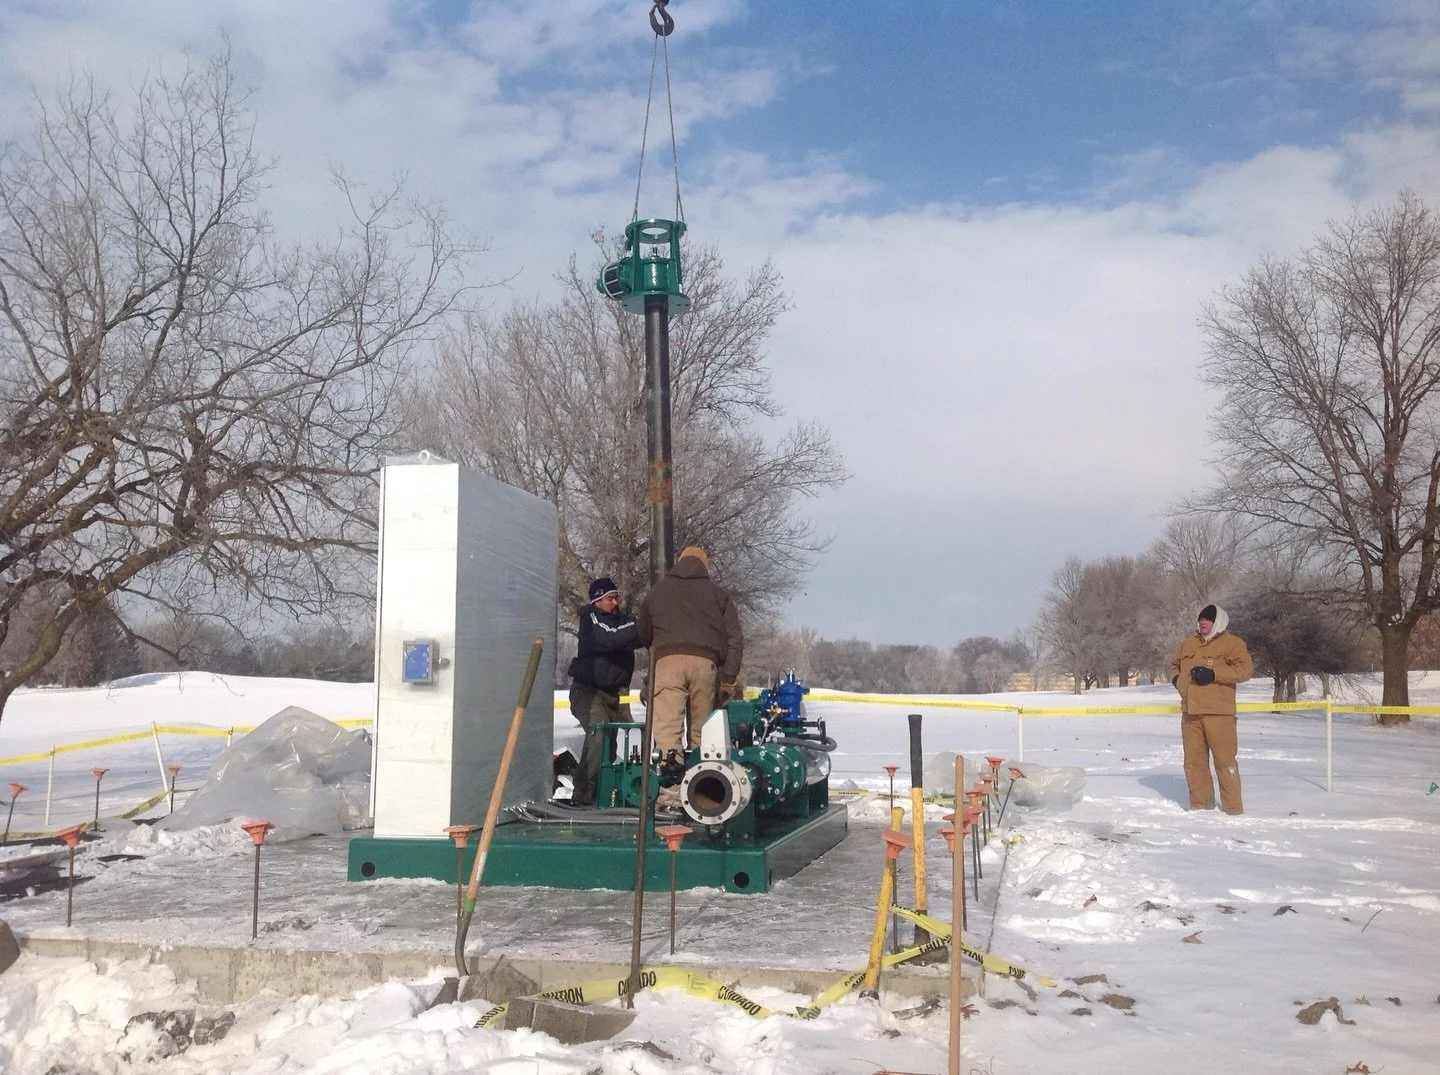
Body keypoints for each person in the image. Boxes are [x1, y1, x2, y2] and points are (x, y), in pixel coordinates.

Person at [636, 546, 743, 812]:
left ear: (679, 562)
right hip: (706, 665)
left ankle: (671, 796)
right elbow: (735, 639)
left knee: (668, 732)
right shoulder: (718, 595)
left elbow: (643, 632)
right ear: (705, 565)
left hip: (667, 663)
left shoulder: (657, 592)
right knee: (703, 733)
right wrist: (728, 678)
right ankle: (700, 793)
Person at [1169, 603, 1254, 815]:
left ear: (1218, 622)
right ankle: (1201, 806)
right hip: (1191, 714)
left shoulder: (1232, 644)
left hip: (1219, 714)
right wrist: (1177, 680)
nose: (1203, 623)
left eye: (1208, 619)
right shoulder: (1188, 644)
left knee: (1225, 762)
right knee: (1193, 763)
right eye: (1201, 619)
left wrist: (1214, 674)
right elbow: (1173, 666)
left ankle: (1233, 809)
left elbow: (1245, 670)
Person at [566, 577, 640, 807]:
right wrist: (638, 627)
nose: (615, 602)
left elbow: (639, 635)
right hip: (588, 692)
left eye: (616, 597)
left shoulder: (624, 621)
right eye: (610, 598)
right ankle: (582, 790)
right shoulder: (591, 619)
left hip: (614, 694)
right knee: (598, 733)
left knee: (610, 745)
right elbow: (609, 637)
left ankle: (602, 791)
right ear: (597, 601)